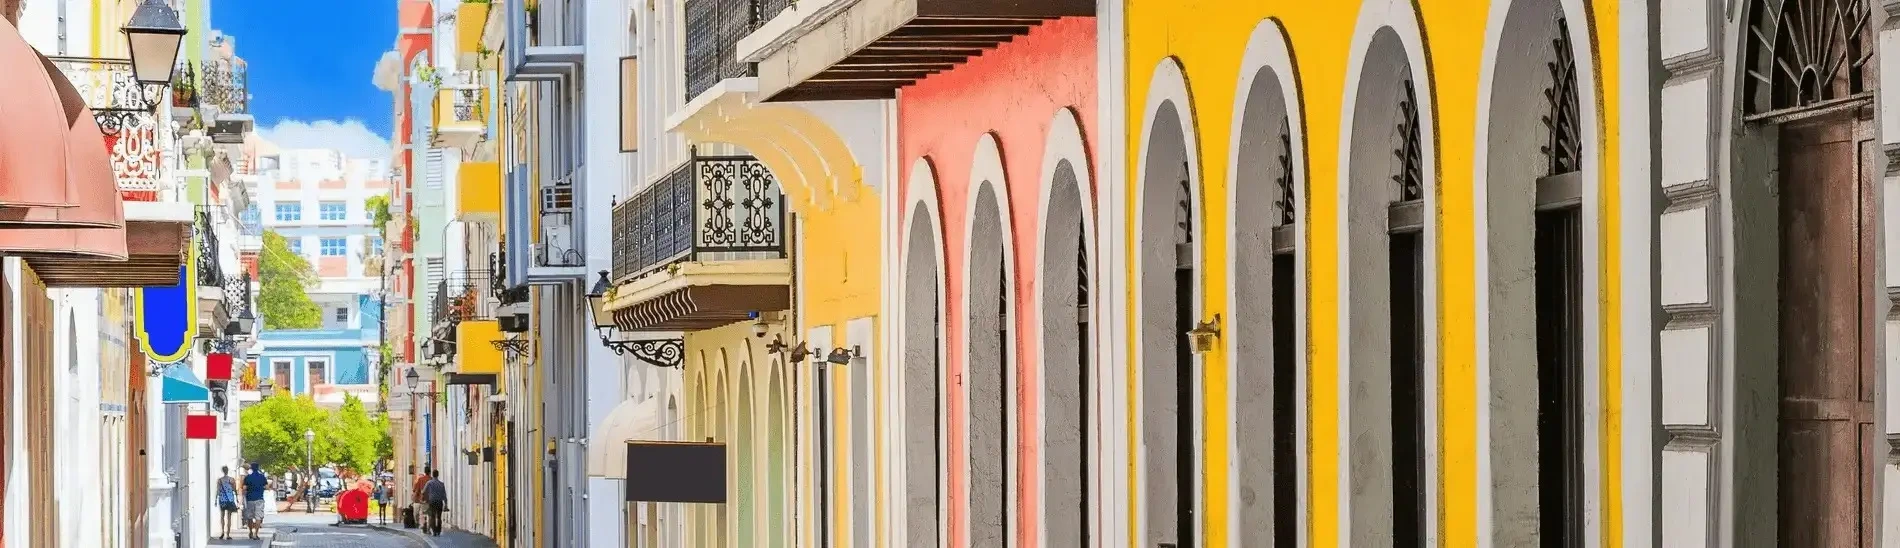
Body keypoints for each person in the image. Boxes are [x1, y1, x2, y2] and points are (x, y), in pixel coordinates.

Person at [240, 462, 270, 540]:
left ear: (251, 468)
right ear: (258, 468)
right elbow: (267, 487)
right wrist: (261, 488)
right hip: (259, 499)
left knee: (249, 517)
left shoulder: (248, 477)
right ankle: (255, 534)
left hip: (250, 499)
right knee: (258, 517)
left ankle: (250, 531)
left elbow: (244, 488)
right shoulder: (262, 477)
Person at [215, 466, 239, 540]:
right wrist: (237, 498)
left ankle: (222, 531)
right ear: (227, 471)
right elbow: (235, 490)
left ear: (223, 471)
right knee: (229, 517)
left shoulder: (219, 480)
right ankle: (228, 534)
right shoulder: (232, 480)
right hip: (230, 499)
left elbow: (218, 490)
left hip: (222, 499)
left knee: (222, 516)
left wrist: (216, 499)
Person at [422, 472, 448, 536]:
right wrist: (446, 504)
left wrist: (426, 496)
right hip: (439, 501)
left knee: (433, 516)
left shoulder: (429, 483)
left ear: (432, 475)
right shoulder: (441, 484)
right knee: (439, 517)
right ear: (438, 475)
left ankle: (434, 531)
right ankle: (438, 531)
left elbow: (423, 491)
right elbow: (444, 495)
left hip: (432, 501)